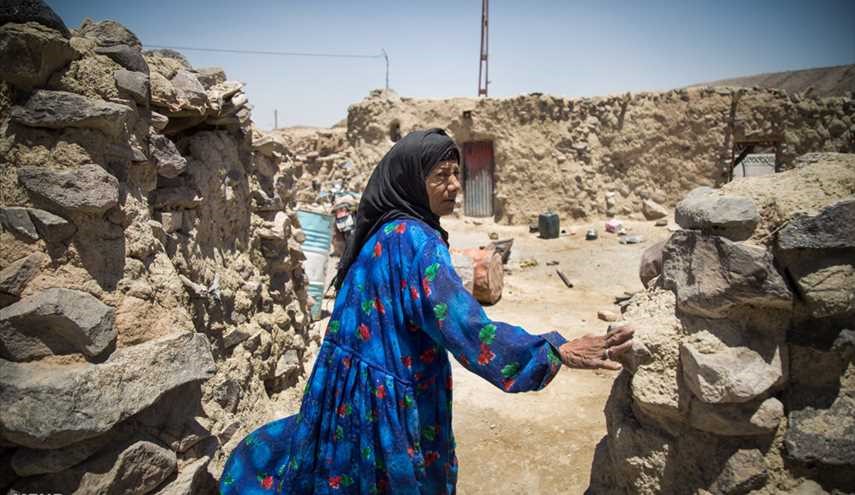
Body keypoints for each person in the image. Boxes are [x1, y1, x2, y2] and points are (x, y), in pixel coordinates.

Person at [219, 128, 634, 494]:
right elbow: (468, 330)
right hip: (390, 399)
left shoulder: (385, 230)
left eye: (457, 173)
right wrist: (552, 350)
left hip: (348, 388)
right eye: (441, 176)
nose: (454, 185)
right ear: (412, 183)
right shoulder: (417, 242)